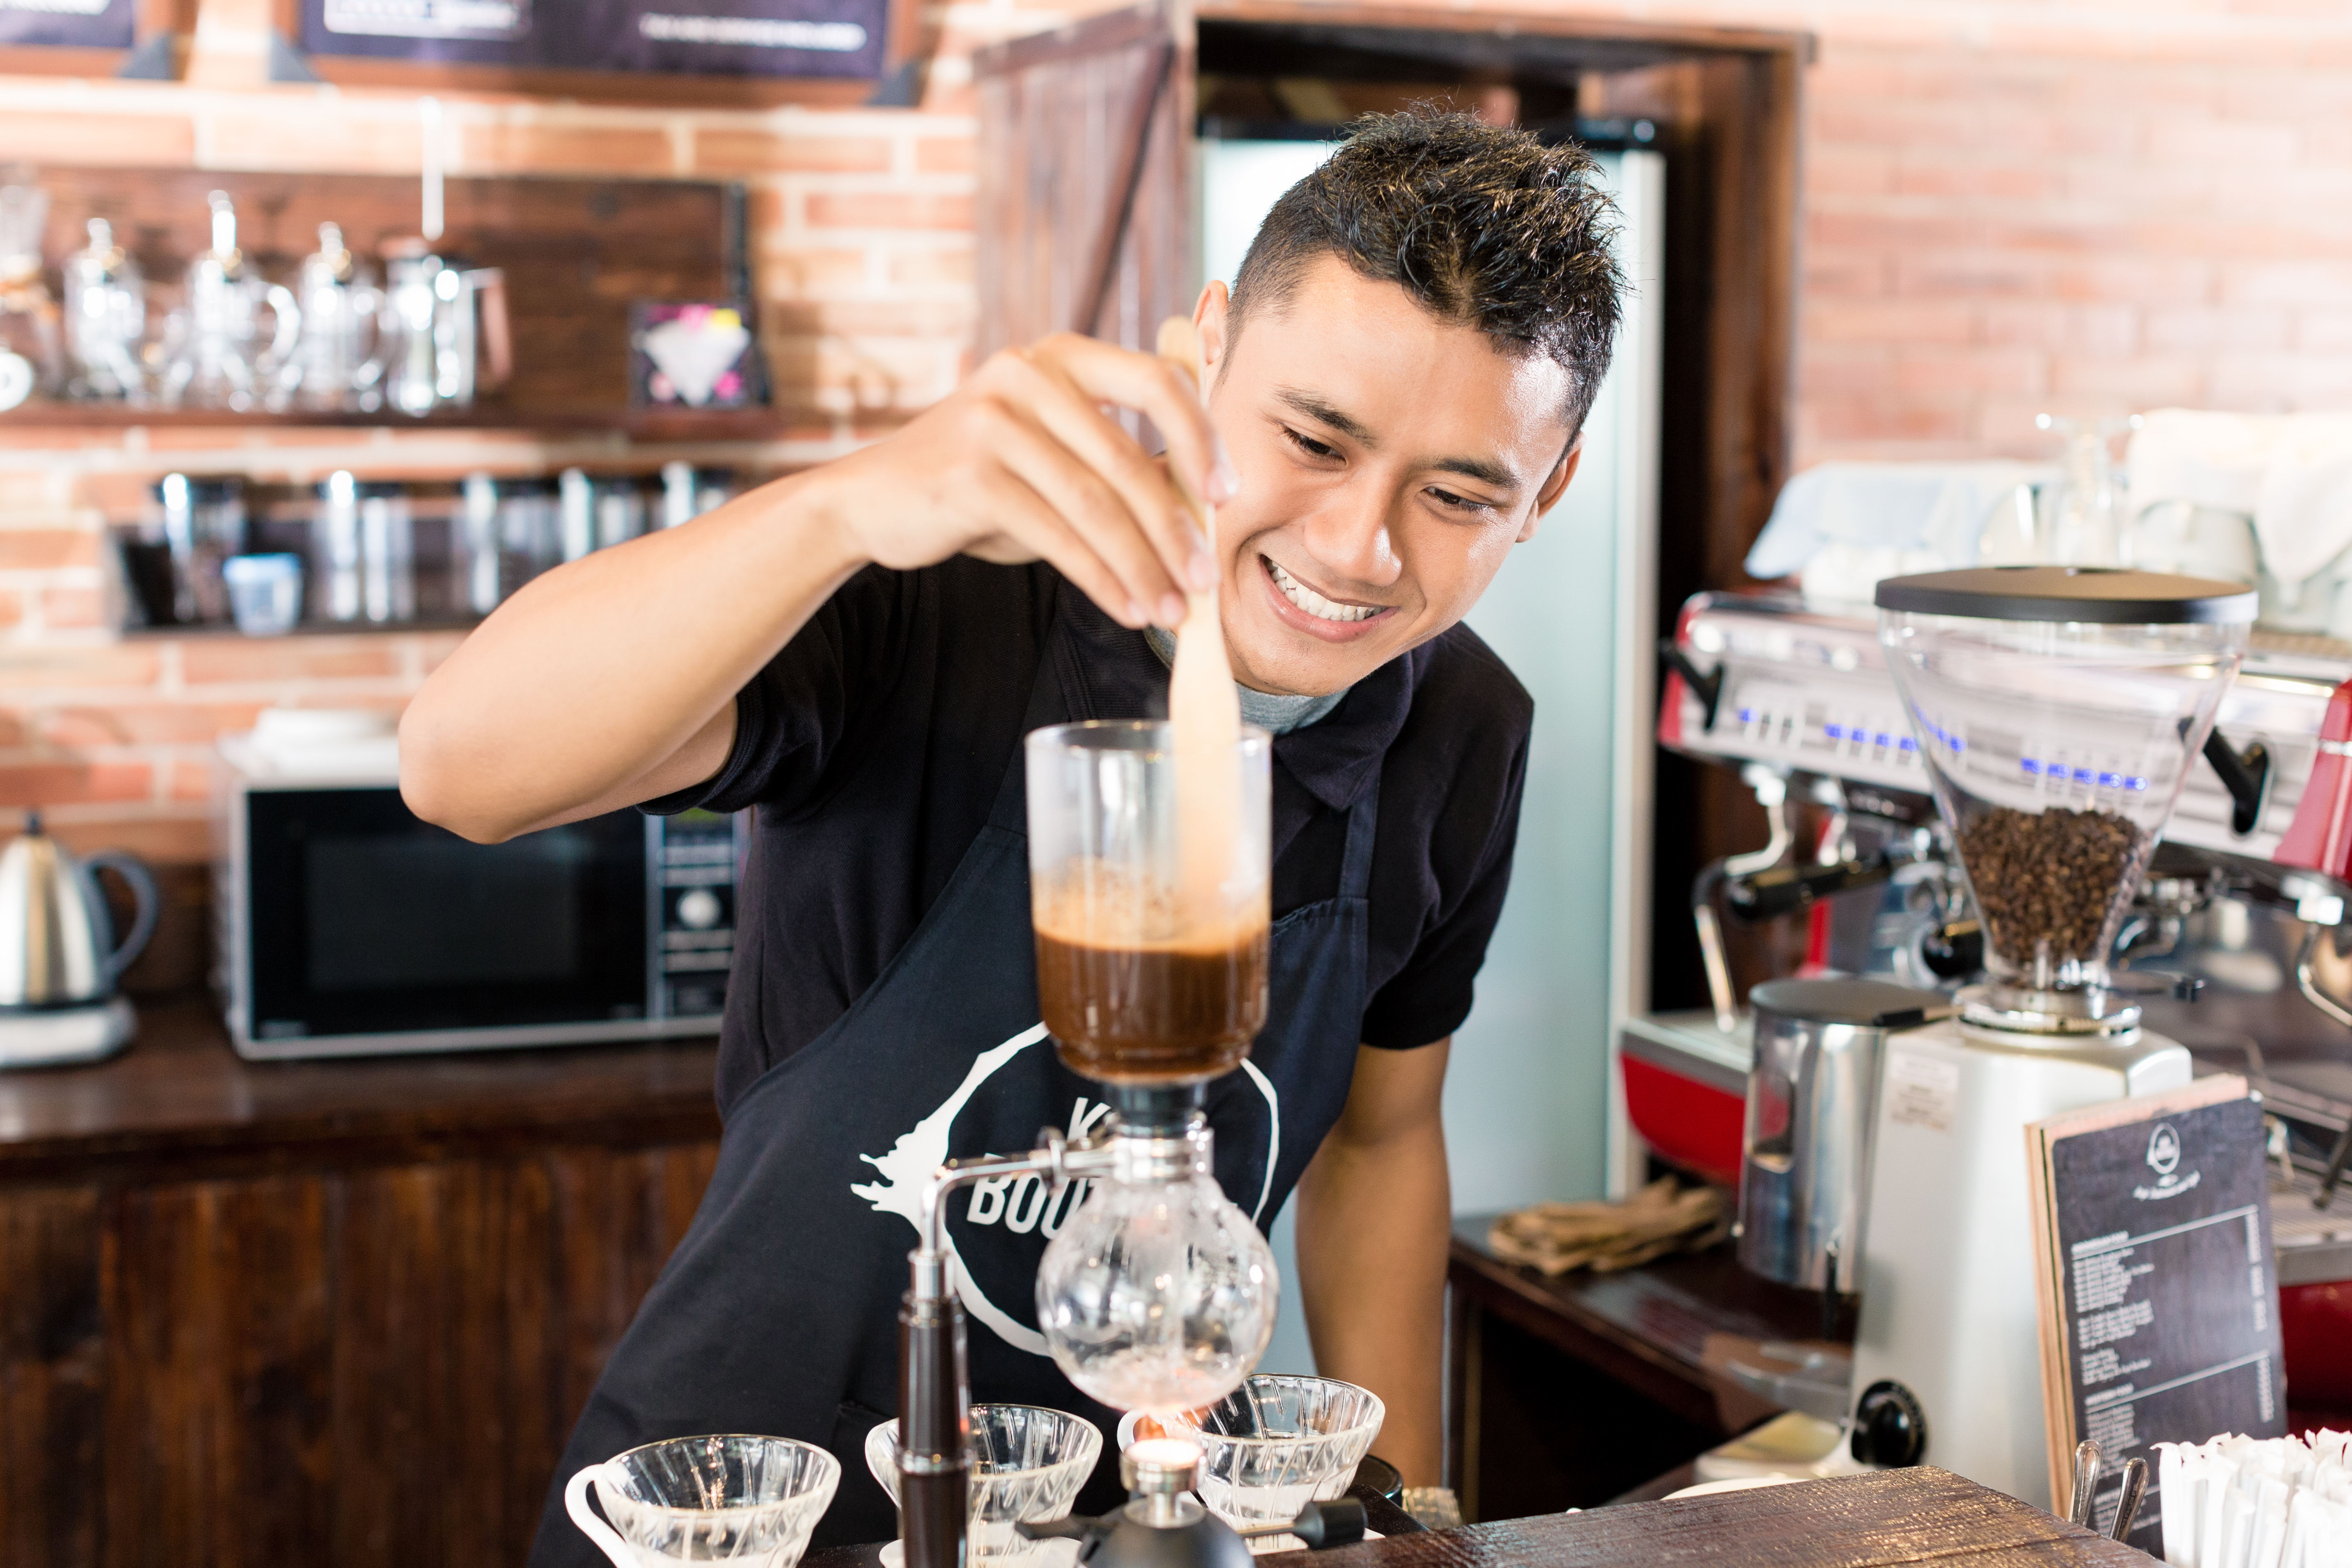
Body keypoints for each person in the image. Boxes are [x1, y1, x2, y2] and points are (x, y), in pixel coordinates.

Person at [400, 110, 1623, 1563]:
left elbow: (1382, 1136)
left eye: (1457, 494)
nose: (1359, 546)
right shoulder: (940, 596)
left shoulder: (1463, 729)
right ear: (1211, 346)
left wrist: (1405, 1520)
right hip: (744, 1507)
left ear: (1547, 490)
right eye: (1313, 440)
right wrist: (847, 506)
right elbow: (458, 770)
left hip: (1128, 1526)